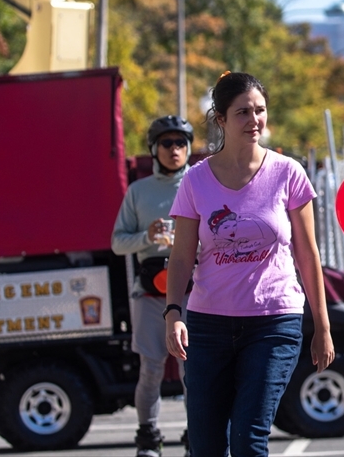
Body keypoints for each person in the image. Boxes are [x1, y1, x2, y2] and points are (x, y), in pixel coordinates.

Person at [163, 72, 334, 457]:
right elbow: (181, 256)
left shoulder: (287, 173)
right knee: (205, 444)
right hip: (208, 326)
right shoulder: (195, 181)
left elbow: (308, 254)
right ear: (220, 119)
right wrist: (173, 312)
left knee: (247, 437)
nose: (254, 120)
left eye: (260, 111)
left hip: (274, 322)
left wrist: (321, 326)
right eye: (242, 112)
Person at [111, 115, 193, 457]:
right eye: (166, 143)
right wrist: (146, 236)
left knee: (194, 367)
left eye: (180, 143)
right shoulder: (138, 191)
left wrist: (188, 242)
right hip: (148, 290)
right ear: (153, 149)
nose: (174, 150)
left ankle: (197, 434)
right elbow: (117, 242)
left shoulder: (200, 183)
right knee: (152, 367)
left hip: (192, 289)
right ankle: (148, 437)